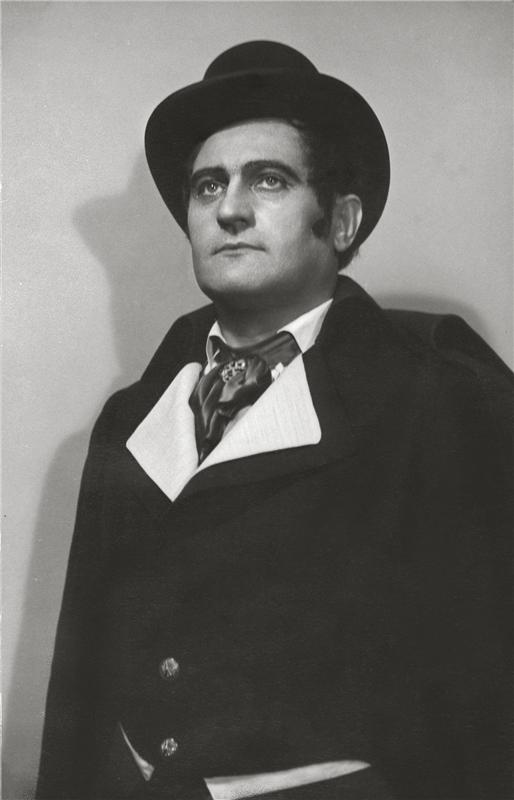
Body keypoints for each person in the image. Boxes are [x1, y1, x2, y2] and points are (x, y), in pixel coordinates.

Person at [36, 41, 512, 800]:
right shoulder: (129, 418)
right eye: (207, 186)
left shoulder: (439, 397)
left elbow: (490, 704)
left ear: (342, 222)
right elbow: (78, 692)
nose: (228, 209)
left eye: (269, 180)